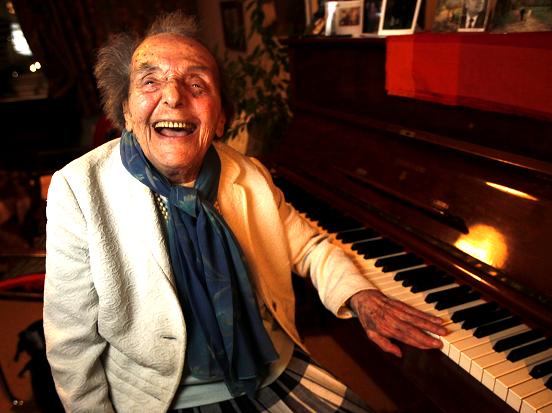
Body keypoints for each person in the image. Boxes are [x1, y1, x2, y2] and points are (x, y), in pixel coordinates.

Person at [44, 11, 447, 412]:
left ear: (220, 119)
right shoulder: (78, 190)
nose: (173, 97)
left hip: (270, 367)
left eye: (197, 84)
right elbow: (72, 345)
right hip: (160, 399)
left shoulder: (249, 173)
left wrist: (361, 296)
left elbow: (309, 248)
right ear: (126, 112)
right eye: (150, 82)